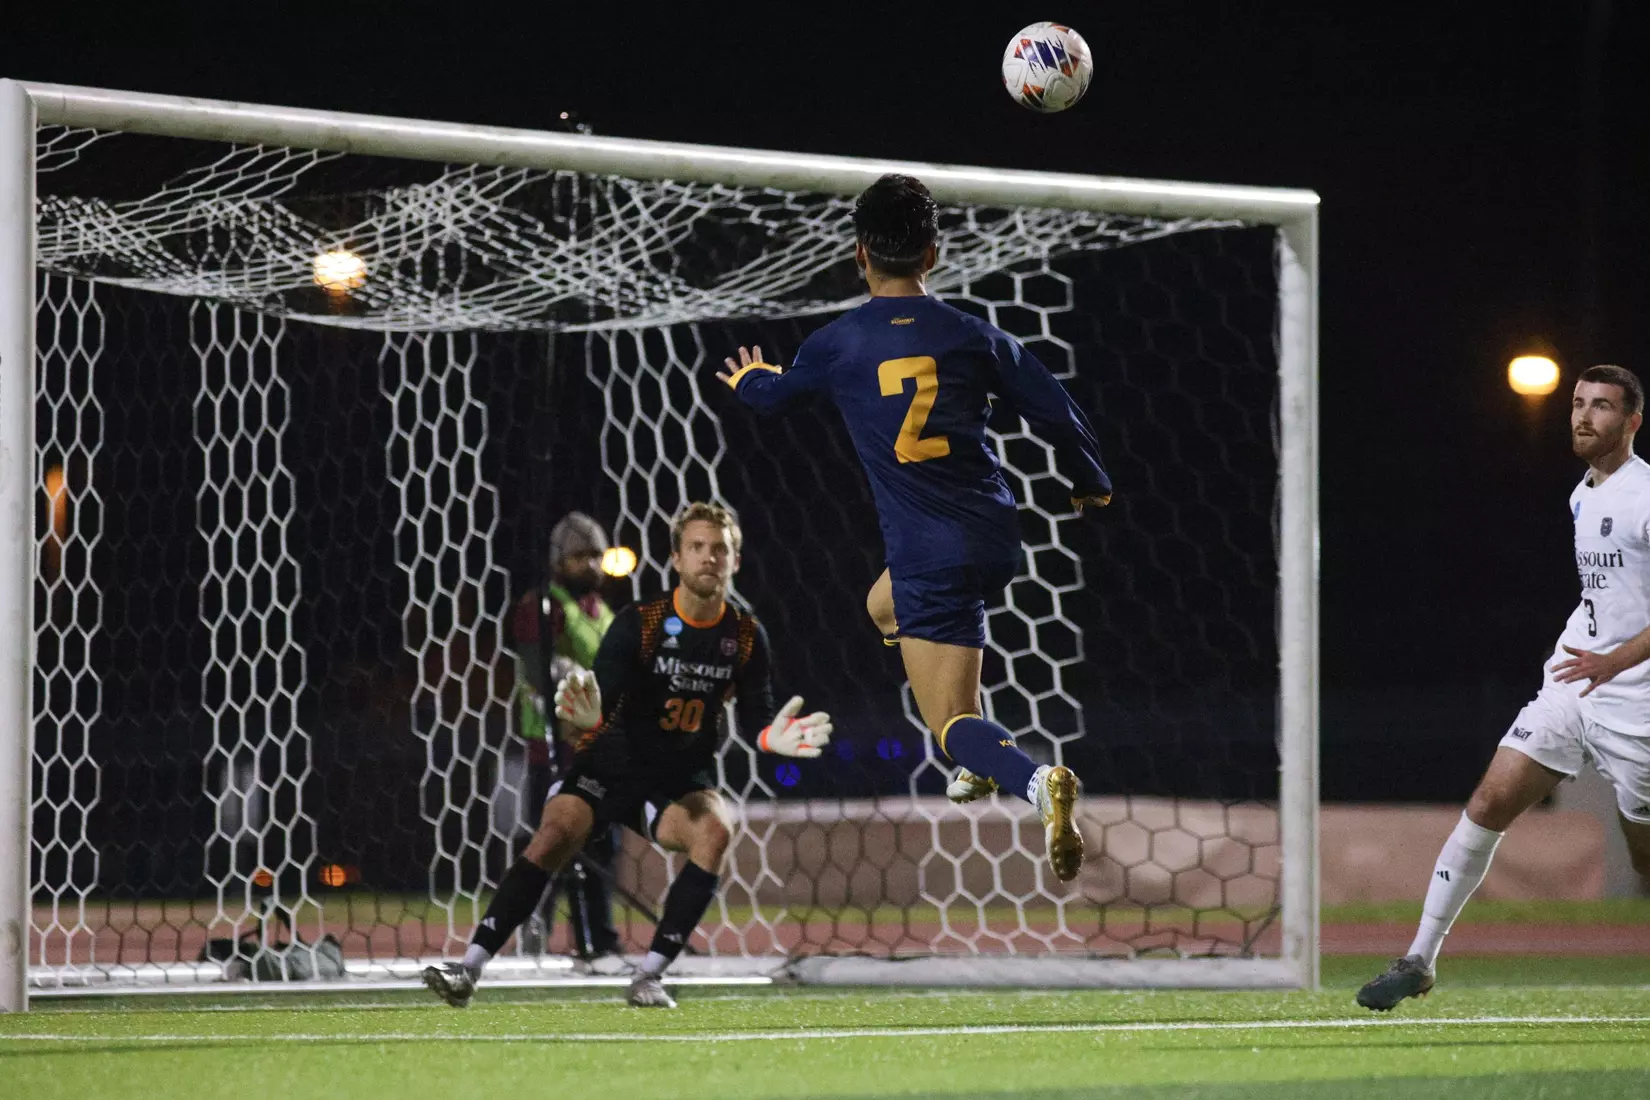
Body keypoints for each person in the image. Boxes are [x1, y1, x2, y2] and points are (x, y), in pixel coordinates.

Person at [719, 173, 1111, 883]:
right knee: (880, 605)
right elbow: (1056, 408)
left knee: (949, 726)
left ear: (858, 254)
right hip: (993, 532)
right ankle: (982, 765)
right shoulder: (971, 335)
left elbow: (773, 400)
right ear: (931, 255)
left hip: (930, 553)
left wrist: (749, 381)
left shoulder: (837, 344)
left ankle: (1034, 781)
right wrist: (1090, 481)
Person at [424, 502, 831, 1008]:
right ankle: (468, 968)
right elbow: (597, 703)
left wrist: (773, 738)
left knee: (716, 829)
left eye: (720, 549)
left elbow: (757, 717)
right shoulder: (640, 622)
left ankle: (649, 975)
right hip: (610, 766)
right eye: (697, 548)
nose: (709, 558)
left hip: (676, 778)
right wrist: (587, 711)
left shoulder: (746, 635)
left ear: (736, 561)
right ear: (676, 560)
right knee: (555, 832)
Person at [1358, 364, 1650, 1011]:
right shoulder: (1582, 494)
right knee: (1490, 801)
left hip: (1638, 702)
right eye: (1577, 403)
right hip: (1571, 686)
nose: (1582, 416)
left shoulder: (1646, 496)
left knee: (1643, 857)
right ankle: (1419, 959)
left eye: (1601, 407)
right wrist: (1585, 653)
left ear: (1632, 422)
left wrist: (1616, 660)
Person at [505, 511, 621, 959]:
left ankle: (599, 939)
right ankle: (534, 934)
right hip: (552, 750)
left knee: (602, 848)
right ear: (558, 562)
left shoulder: (605, 614)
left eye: (596, 555)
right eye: (579, 557)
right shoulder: (541, 607)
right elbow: (537, 673)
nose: (591, 565)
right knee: (551, 844)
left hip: (598, 749)